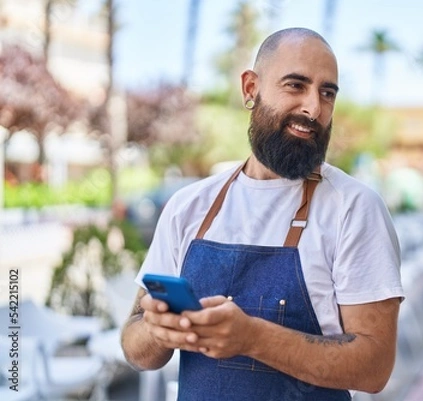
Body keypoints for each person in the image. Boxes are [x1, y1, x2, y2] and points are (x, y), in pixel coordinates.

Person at [121, 27, 404, 400]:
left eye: (327, 93)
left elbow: (374, 367)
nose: (313, 108)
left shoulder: (354, 209)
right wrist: (157, 331)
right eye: (295, 85)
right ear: (250, 89)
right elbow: (133, 345)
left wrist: (253, 338)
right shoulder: (188, 207)